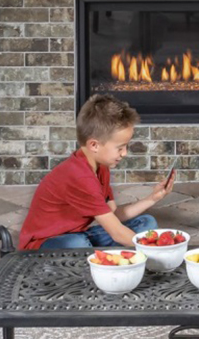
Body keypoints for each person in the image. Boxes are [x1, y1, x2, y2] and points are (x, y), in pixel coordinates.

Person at [18, 94, 174, 250]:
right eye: (120, 148)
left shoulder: (101, 166)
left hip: (78, 234)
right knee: (79, 244)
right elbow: (117, 233)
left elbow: (113, 214)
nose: (125, 153)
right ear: (94, 145)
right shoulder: (79, 177)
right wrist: (158, 249)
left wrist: (152, 199)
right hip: (44, 245)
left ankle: (97, 255)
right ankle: (99, 256)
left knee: (147, 223)